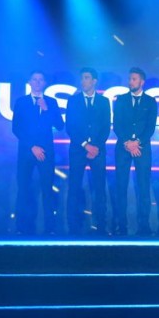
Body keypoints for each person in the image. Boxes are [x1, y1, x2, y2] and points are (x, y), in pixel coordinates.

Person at [12, 70, 64, 235]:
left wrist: (47, 109)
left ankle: (50, 228)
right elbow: (16, 128)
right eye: (34, 79)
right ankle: (22, 227)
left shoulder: (51, 102)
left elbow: (60, 125)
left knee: (47, 189)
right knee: (23, 188)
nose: (37, 82)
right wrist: (32, 146)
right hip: (26, 151)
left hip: (46, 151)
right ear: (29, 82)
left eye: (40, 80)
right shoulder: (21, 102)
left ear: (45, 83)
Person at [66, 67, 111, 236]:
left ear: (94, 81)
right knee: (74, 187)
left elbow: (106, 127)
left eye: (86, 78)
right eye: (82, 78)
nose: (83, 81)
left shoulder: (104, 101)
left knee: (99, 188)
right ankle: (73, 226)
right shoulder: (73, 101)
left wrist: (96, 146)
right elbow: (70, 127)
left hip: (98, 151)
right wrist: (86, 145)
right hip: (78, 150)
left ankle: (101, 226)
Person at [112, 67, 158, 236]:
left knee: (143, 187)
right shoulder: (121, 100)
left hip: (142, 148)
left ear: (141, 82)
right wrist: (127, 142)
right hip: (123, 148)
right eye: (130, 79)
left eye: (134, 79)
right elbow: (117, 124)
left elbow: (150, 127)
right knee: (121, 187)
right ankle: (121, 225)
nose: (130, 82)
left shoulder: (150, 101)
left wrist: (137, 142)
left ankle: (144, 225)